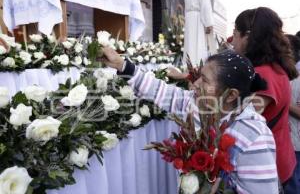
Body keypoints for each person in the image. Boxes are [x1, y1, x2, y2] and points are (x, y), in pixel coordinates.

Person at [99, 48, 279, 193]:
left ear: (231, 95)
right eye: (199, 76)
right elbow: (160, 90)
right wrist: (122, 65)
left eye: (205, 81)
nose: (196, 84)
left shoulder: (254, 136)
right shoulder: (195, 104)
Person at [231, 7, 299, 189]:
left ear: (248, 37)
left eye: (235, 33)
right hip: (281, 158)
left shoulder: (264, 75)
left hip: (269, 166)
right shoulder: (273, 67)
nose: (232, 40)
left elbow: (241, 121)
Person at [286, 34, 300, 194]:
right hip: (289, 142)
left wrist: (285, 104)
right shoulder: (287, 77)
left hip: (296, 144)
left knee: (293, 184)